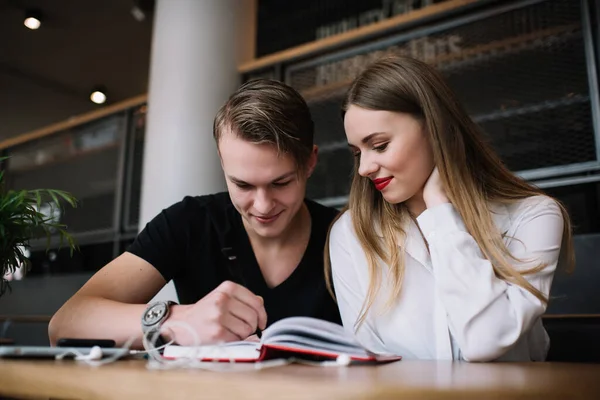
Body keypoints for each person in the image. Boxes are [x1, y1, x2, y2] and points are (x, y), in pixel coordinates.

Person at [49, 79, 342, 348]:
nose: (263, 205)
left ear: (310, 163)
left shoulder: (346, 236)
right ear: (222, 163)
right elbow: (65, 324)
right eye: (242, 184)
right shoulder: (190, 222)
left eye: (281, 183)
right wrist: (178, 321)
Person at [325, 56, 574, 362]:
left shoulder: (534, 216)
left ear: (436, 129)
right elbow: (369, 365)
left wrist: (440, 211)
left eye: (379, 145)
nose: (364, 168)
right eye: (356, 153)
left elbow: (486, 342)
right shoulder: (351, 233)